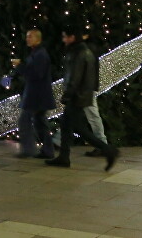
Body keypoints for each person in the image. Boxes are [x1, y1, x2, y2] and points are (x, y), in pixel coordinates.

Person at [46, 28, 118, 171]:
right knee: (67, 126)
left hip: (77, 96)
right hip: (81, 95)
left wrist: (67, 95)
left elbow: (75, 77)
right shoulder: (84, 50)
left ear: (73, 37)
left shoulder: (79, 53)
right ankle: (64, 157)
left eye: (65, 36)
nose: (63, 39)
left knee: (79, 128)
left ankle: (108, 150)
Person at [11, 28, 55, 159]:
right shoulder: (37, 53)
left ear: (38, 39)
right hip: (38, 95)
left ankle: (29, 149)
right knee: (39, 122)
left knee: (25, 120)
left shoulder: (40, 54)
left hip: (36, 96)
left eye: (30, 36)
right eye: (27, 36)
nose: (27, 39)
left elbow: (36, 74)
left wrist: (19, 66)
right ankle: (48, 151)